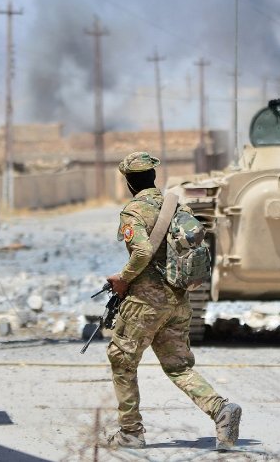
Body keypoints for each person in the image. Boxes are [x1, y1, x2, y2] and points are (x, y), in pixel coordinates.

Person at [104, 151, 242, 450]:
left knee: (122, 359)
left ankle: (130, 432)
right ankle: (220, 410)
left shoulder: (134, 211)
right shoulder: (176, 206)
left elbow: (141, 253)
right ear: (154, 177)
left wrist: (123, 278)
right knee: (179, 366)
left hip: (145, 303)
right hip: (177, 301)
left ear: (128, 181)